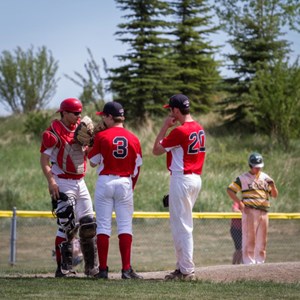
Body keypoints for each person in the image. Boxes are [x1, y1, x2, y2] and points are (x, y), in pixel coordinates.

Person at [40, 98, 99, 278]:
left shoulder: (80, 129)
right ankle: (63, 268)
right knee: (67, 225)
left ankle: (91, 268)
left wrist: (92, 143)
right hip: (62, 180)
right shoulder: (53, 133)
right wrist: (52, 182)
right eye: (75, 113)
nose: (78, 116)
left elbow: (86, 155)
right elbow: (44, 161)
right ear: (64, 113)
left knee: (89, 224)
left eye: (80, 112)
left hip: (80, 181)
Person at [152, 94, 206, 280]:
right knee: (182, 224)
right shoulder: (199, 128)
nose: (170, 113)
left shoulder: (180, 131)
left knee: (182, 226)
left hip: (182, 179)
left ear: (176, 110)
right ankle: (182, 266)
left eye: (170, 110)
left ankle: (186, 270)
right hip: (195, 178)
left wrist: (165, 127)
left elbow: (156, 150)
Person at [88, 101, 143, 280]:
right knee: (125, 226)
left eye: (104, 116)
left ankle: (102, 270)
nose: (102, 119)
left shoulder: (102, 137)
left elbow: (93, 161)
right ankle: (126, 270)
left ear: (111, 117)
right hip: (125, 181)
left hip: (105, 181)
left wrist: (90, 144)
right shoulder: (134, 138)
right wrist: (131, 185)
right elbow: (137, 167)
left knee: (103, 226)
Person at [227, 152, 278, 265]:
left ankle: (260, 261)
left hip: (264, 212)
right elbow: (230, 190)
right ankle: (249, 262)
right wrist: (239, 202)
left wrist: (273, 186)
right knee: (250, 238)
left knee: (262, 239)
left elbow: (274, 195)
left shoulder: (266, 178)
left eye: (260, 167)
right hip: (250, 210)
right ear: (251, 165)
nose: (258, 169)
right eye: (256, 167)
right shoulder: (243, 178)